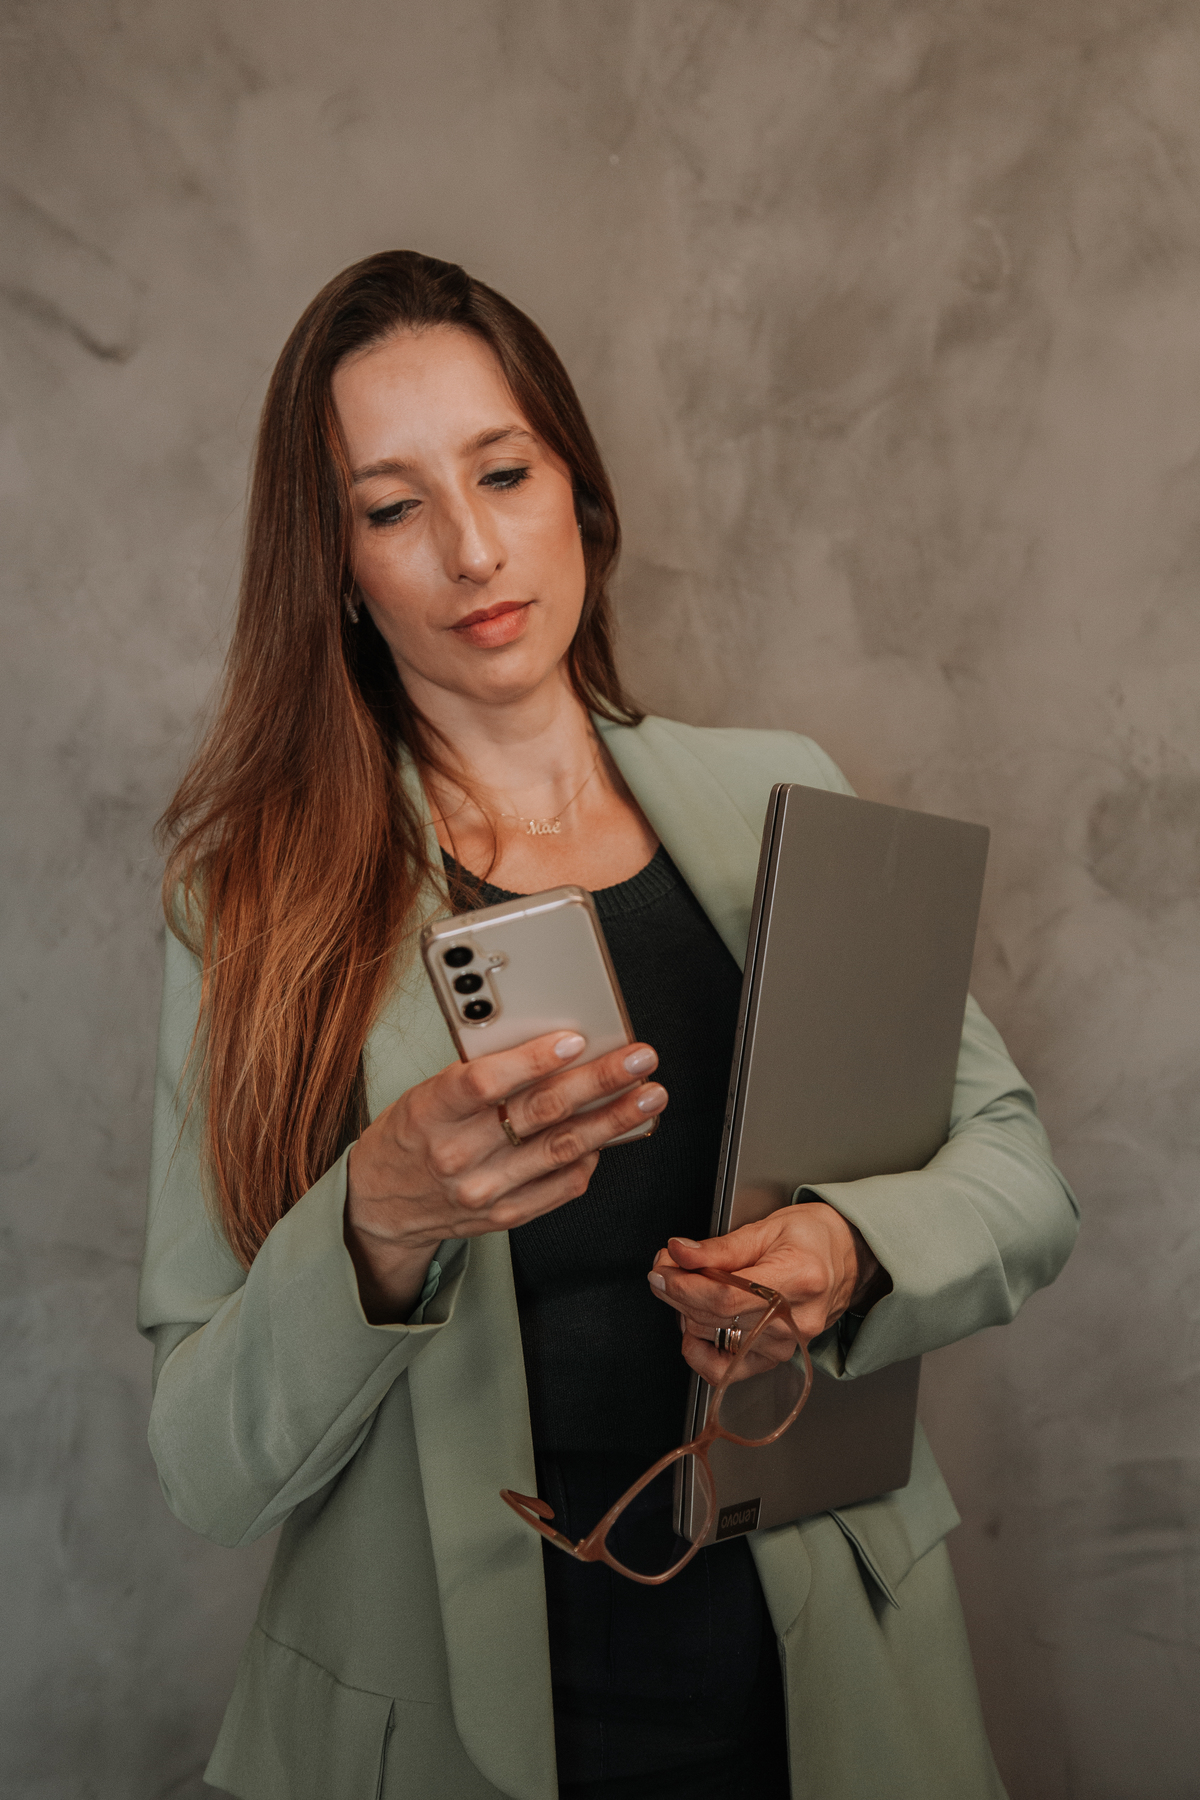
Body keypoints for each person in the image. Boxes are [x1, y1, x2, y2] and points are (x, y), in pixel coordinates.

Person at [139, 250, 1079, 1800]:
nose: (471, 549)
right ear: (338, 568)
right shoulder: (247, 904)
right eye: (393, 508)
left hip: (819, 1685)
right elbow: (202, 1465)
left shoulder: (783, 793)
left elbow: (1020, 1176)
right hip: (442, 1720)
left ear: (578, 489)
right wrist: (380, 1219)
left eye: (505, 473)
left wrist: (848, 1251)